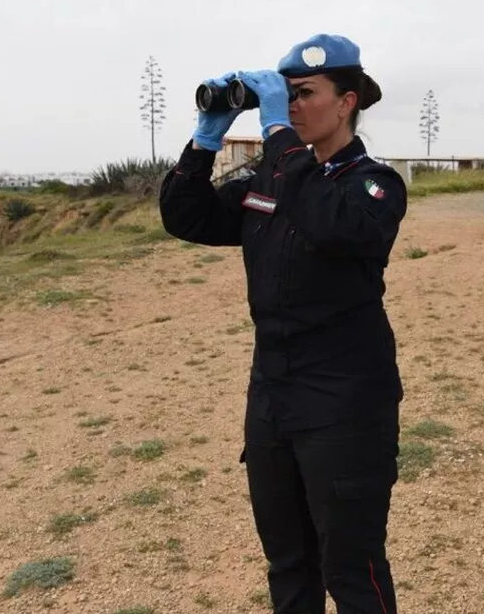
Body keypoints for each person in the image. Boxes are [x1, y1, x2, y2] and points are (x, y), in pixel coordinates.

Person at [159, 33, 406, 614]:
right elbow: (186, 217)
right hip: (273, 399)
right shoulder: (268, 182)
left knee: (352, 571)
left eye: (304, 94)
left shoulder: (372, 185)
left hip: (345, 405)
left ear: (347, 102)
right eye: (283, 97)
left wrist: (278, 139)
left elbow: (332, 225)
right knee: (289, 566)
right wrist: (205, 139)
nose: (291, 107)